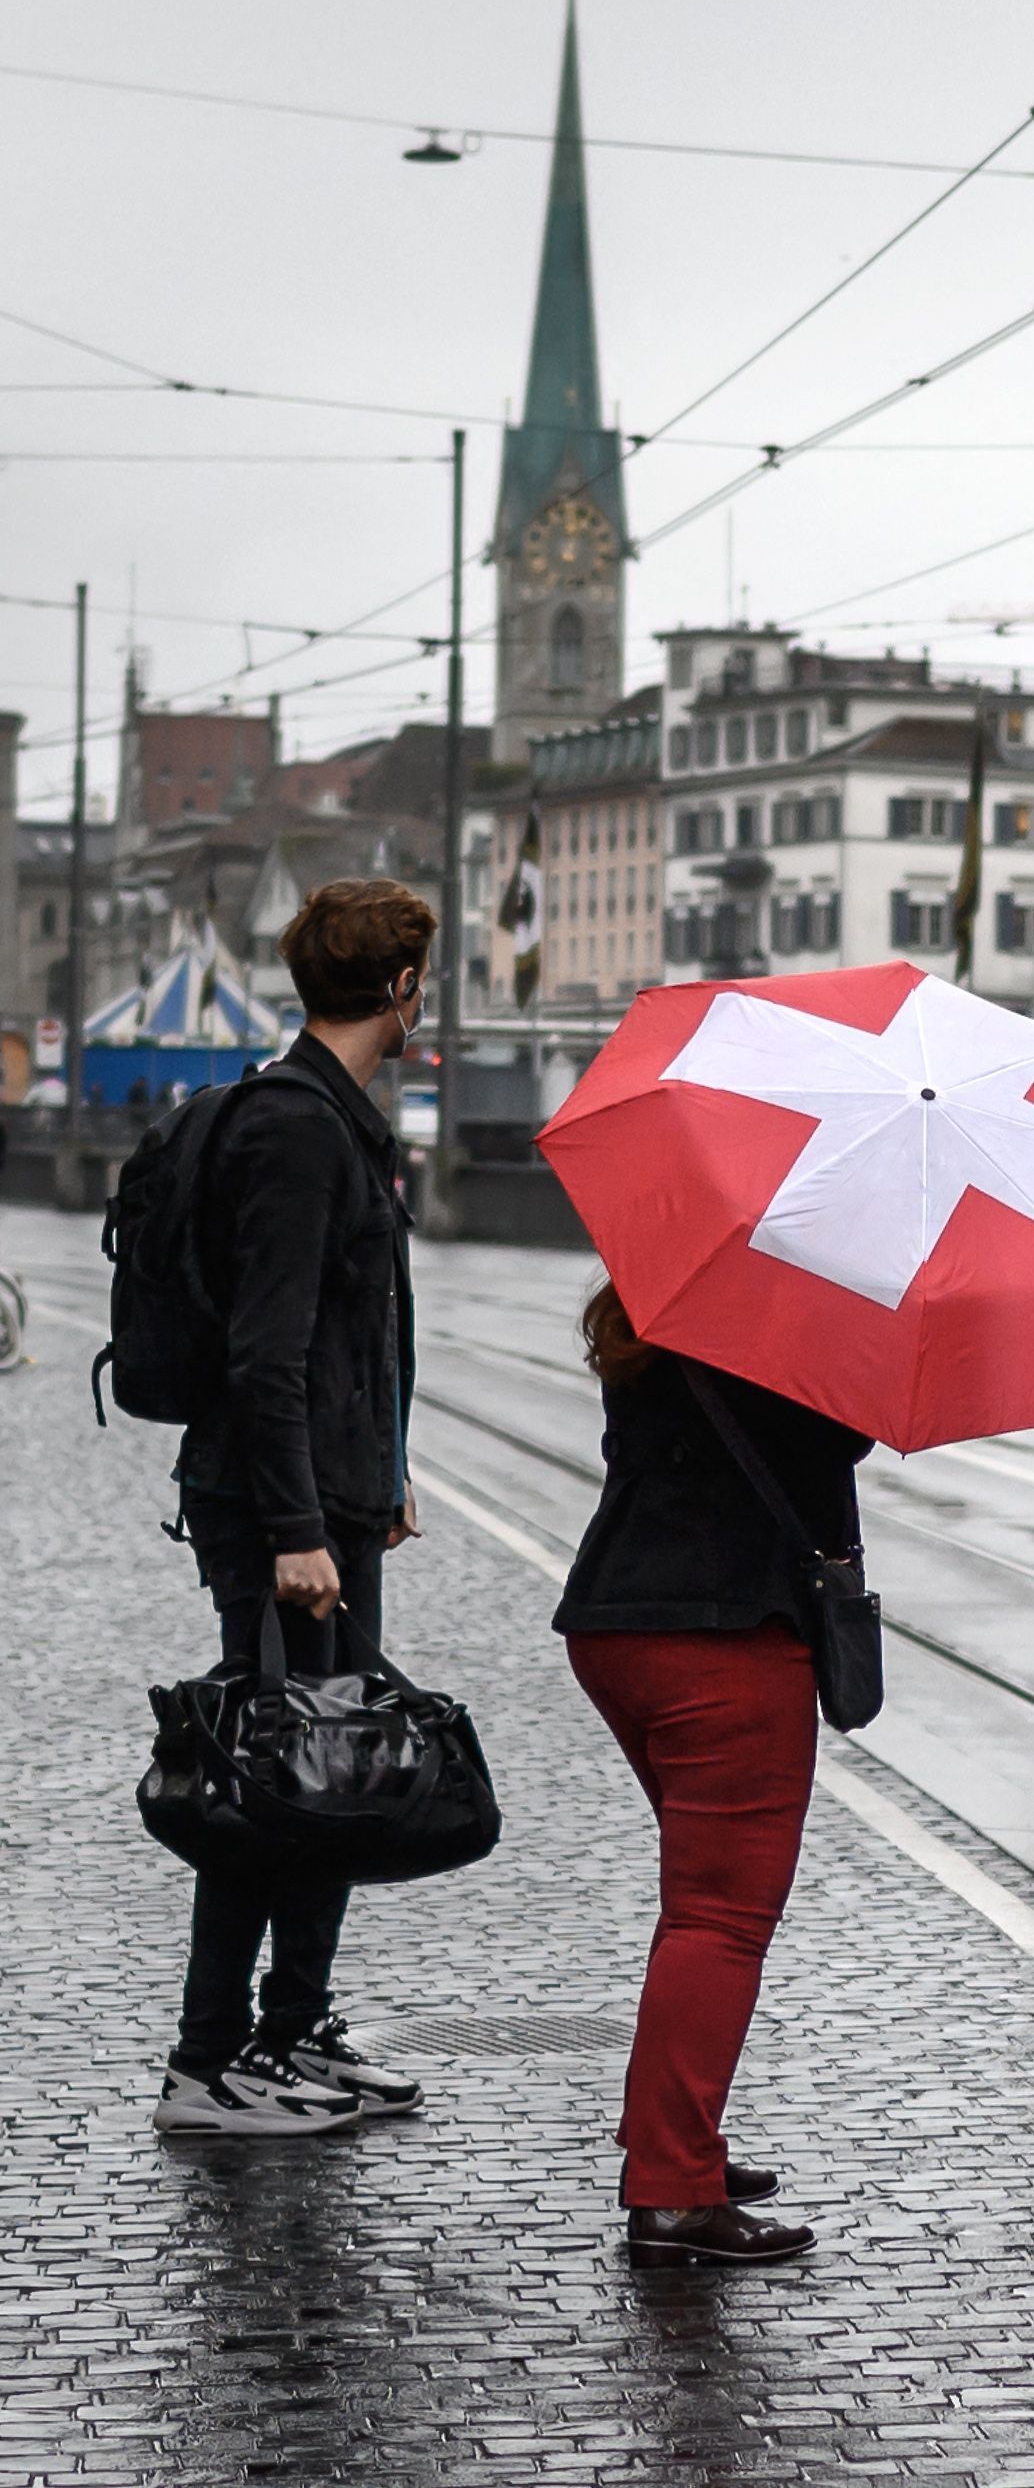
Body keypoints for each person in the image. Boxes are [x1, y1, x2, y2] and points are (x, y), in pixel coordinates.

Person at [154, 877, 432, 2137]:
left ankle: (289, 2030)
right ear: (405, 987)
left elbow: (337, 1340)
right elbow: (266, 1355)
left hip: (329, 1492)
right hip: (279, 1513)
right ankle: (209, 2066)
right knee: (273, 1782)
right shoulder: (300, 1131)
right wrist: (297, 1532)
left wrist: (378, 1470)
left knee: (330, 1773)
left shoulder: (336, 1116)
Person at [560, 1282, 871, 2268]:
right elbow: (823, 1449)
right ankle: (672, 2192)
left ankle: (670, 2147)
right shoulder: (797, 1311)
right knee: (720, 1919)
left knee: (697, 1904)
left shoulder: (652, 1298)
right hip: (723, 1641)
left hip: (619, 1628)